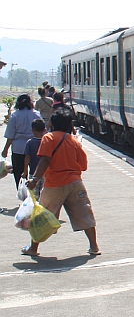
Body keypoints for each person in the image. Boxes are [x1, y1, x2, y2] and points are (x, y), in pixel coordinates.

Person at [23, 109, 99, 257]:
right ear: (70, 124)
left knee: (43, 216)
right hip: (75, 183)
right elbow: (83, 165)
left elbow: (45, 160)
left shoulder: (48, 138)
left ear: (52, 123)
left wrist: (34, 179)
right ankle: (94, 246)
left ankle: (33, 248)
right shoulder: (74, 141)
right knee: (84, 212)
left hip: (54, 184)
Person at [2, 94, 42, 191]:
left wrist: (5, 150)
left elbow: (10, 136)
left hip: (19, 148)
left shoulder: (15, 116)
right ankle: (35, 195)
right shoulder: (36, 114)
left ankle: (23, 194)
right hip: (35, 147)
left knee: (19, 174)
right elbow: (42, 132)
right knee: (35, 173)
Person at [22, 119, 47, 196]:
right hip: (46, 172)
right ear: (45, 129)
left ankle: (35, 207)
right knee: (44, 193)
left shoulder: (30, 142)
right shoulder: (47, 142)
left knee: (33, 195)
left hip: (33, 172)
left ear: (32, 130)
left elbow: (27, 158)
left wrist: (25, 170)